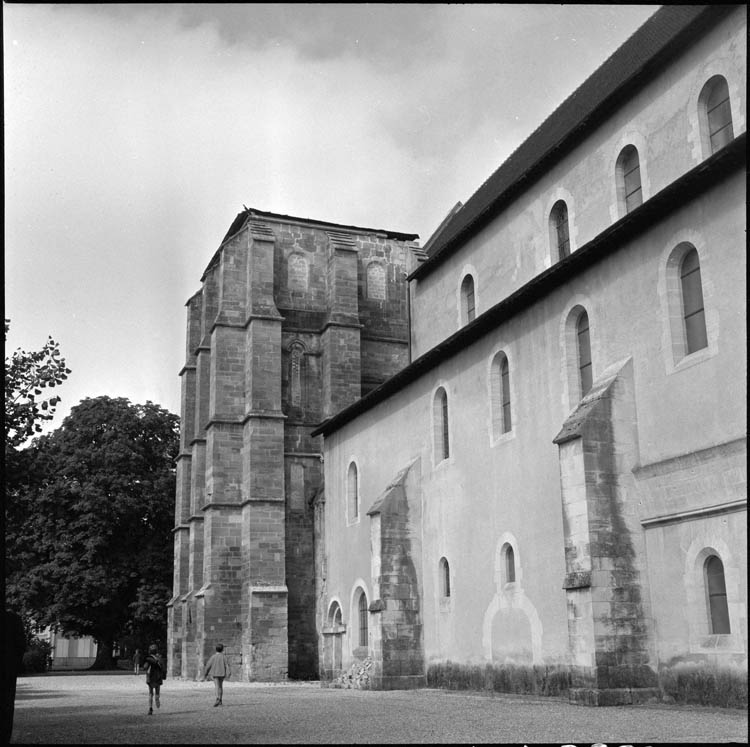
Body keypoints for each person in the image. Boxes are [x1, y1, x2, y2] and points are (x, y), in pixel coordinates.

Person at [2, 610, 27, 743]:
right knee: (6, 705)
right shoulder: (13, 618)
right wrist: (13, 665)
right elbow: (21, 645)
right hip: (7, 670)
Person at [143, 644, 164, 715]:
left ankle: (150, 708)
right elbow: (163, 667)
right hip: (158, 677)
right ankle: (157, 699)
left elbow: (145, 667)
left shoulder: (149, 658)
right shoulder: (159, 658)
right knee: (157, 692)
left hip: (150, 677)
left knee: (150, 693)